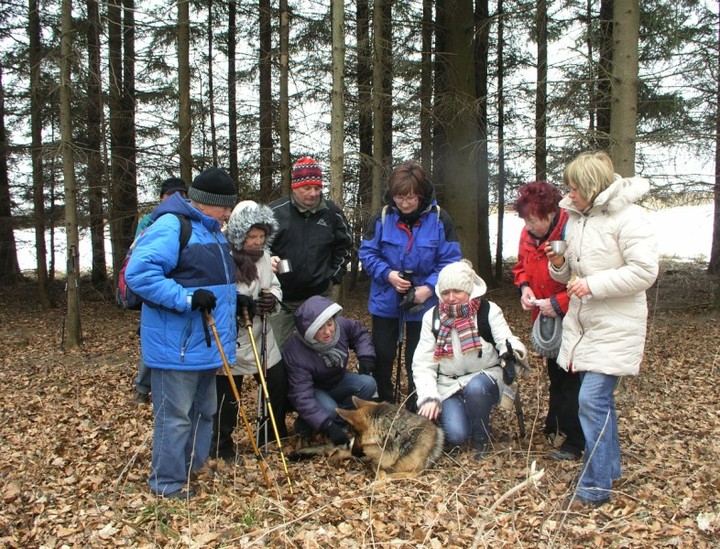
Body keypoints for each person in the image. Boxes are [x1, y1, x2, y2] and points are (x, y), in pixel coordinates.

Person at [547, 151, 658, 508]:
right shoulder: (577, 218)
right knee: (597, 401)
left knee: (591, 399)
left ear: (593, 186)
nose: (570, 192)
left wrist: (594, 285)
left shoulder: (630, 218)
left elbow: (644, 272)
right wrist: (560, 264)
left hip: (616, 323)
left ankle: (594, 487)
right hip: (585, 324)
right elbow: (569, 277)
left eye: (575, 187)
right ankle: (608, 470)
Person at [125, 167, 238, 499]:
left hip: (204, 345)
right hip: (178, 347)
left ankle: (189, 471)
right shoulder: (172, 226)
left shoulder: (214, 233)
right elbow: (140, 274)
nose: (228, 212)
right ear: (203, 202)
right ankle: (167, 484)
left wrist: (236, 299)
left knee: (204, 413)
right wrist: (187, 299)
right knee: (174, 419)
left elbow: (212, 285)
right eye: (224, 206)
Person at [358, 160, 461, 411]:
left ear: (422, 195)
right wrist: (389, 274)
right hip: (386, 300)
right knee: (382, 356)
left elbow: (451, 261)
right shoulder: (383, 217)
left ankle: (418, 407)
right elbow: (367, 253)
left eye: (410, 198)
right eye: (399, 198)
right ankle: (384, 405)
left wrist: (429, 288)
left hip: (424, 305)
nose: (404, 204)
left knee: (418, 358)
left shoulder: (439, 219)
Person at [413, 260, 527, 459]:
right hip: (448, 383)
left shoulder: (487, 311)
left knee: (476, 389)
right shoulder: (432, 318)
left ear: (469, 290)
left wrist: (514, 352)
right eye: (446, 292)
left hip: (485, 376)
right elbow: (423, 363)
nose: (451, 298)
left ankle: (481, 439)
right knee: (456, 436)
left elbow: (505, 339)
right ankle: (465, 416)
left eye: (457, 291)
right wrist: (428, 396)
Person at [512, 181, 585, 461]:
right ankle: (555, 425)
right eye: (526, 220)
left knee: (573, 376)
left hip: (573, 314)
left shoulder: (571, 231)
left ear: (551, 213)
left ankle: (576, 440)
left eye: (533, 220)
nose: (528, 226)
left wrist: (558, 304)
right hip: (545, 317)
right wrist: (524, 288)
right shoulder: (528, 235)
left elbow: (581, 277)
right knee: (556, 373)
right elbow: (521, 267)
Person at [211, 200, 289, 460]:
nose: (256, 242)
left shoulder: (265, 256)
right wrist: (237, 304)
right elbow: (215, 294)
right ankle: (221, 446)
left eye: (261, 236)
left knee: (276, 383)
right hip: (232, 337)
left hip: (262, 335)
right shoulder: (222, 255)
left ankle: (270, 436)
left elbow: (274, 285)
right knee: (227, 396)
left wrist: (272, 300)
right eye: (251, 236)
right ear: (238, 233)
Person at [268, 156, 352, 350]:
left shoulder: (332, 213)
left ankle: (321, 381)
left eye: (317, 188)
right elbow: (258, 246)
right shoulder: (275, 212)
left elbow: (346, 247)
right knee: (276, 353)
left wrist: (333, 276)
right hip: (282, 298)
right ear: (294, 187)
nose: (313, 193)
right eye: (307, 188)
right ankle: (281, 382)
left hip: (318, 296)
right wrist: (267, 261)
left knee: (323, 349)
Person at [282, 295, 377, 446]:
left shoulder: (341, 326)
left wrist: (366, 356)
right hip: (314, 389)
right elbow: (301, 396)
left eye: (329, 324)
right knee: (330, 409)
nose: (328, 332)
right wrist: (329, 426)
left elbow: (359, 333)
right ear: (309, 331)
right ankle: (315, 423)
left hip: (337, 379)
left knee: (368, 384)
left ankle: (337, 420)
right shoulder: (295, 352)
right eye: (320, 328)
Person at [133, 176, 188, 405]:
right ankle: (142, 388)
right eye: (172, 195)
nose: (178, 199)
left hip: (181, 291)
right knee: (154, 342)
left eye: (183, 195)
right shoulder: (150, 222)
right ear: (161, 198)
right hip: (157, 294)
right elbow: (141, 261)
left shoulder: (189, 221)